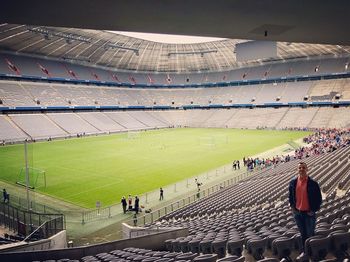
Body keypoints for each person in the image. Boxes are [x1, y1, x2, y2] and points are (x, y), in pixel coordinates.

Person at [289, 161, 322, 256]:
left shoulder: (313, 183)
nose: (301, 169)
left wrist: (313, 210)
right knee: (303, 234)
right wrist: (293, 208)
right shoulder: (293, 182)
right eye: (300, 168)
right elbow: (290, 197)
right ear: (297, 169)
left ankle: (312, 251)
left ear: (307, 169)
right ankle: (306, 251)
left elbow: (318, 199)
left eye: (303, 167)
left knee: (310, 233)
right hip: (298, 214)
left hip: (309, 214)